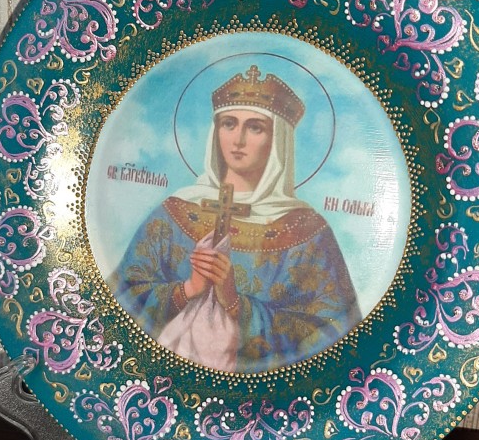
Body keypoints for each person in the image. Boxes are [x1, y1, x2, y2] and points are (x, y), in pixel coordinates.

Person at [108, 65, 361, 372]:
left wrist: (235, 303)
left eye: (255, 128)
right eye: (229, 124)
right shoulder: (173, 214)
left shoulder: (308, 232)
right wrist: (188, 289)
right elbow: (118, 301)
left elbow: (336, 335)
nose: (237, 139)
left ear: (278, 140)